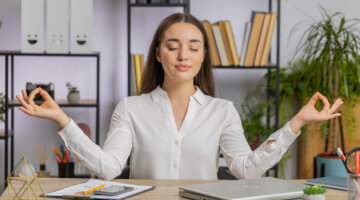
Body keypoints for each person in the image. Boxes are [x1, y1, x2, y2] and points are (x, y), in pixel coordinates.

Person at [16, 13, 343, 180]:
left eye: (193, 47)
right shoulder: (130, 108)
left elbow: (246, 168)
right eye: (172, 46)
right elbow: (109, 168)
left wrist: (297, 123)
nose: (182, 55)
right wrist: (62, 119)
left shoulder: (222, 111)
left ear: (203, 57)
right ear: (158, 54)